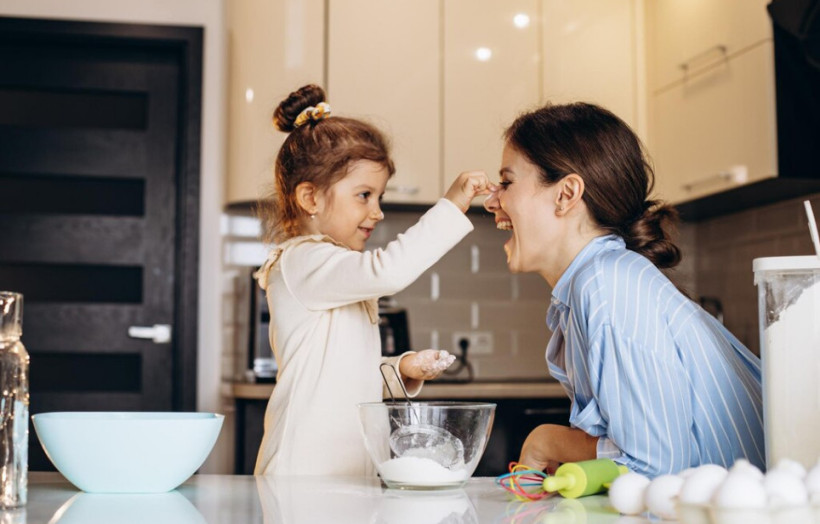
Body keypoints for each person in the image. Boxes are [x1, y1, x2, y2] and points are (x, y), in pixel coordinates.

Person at [482, 102, 764, 478]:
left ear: (566, 194)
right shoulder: (595, 283)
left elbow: (654, 465)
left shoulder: (605, 284)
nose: (491, 201)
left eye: (506, 183)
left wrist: (546, 441)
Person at [253, 84, 493, 476]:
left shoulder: (333, 268)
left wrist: (402, 368)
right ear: (310, 198)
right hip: (302, 473)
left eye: (379, 196)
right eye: (364, 195)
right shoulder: (302, 260)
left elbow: (344, 372)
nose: (377, 211)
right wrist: (452, 205)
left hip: (347, 471)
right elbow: (389, 270)